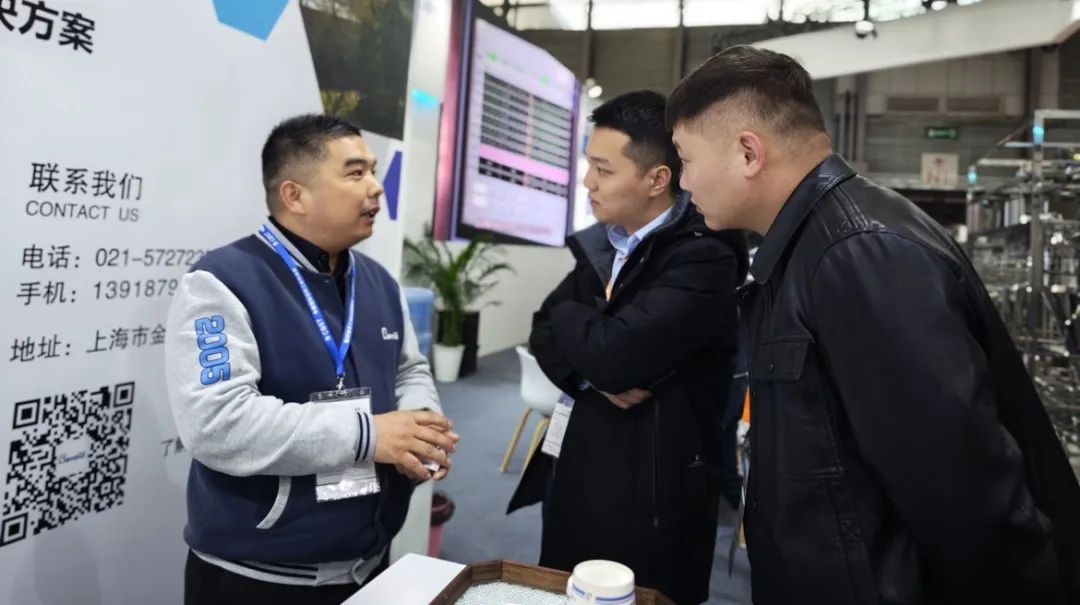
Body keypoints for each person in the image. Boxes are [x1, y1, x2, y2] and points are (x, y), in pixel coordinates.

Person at [667, 45, 1080, 604]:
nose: (685, 183)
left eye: (687, 159)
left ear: (747, 152)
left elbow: (963, 495)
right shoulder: (816, 247)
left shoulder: (856, 254)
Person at [164, 114, 459, 605]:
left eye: (373, 171)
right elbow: (216, 423)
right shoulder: (222, 282)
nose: (376, 188)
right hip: (259, 577)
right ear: (295, 195)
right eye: (355, 173)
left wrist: (420, 425)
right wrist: (370, 435)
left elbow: (408, 368)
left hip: (368, 564)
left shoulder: (379, 281)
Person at [508, 90, 748, 604]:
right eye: (588, 165)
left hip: (653, 494)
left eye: (603, 169)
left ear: (656, 179)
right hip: (580, 466)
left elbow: (613, 356)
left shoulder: (704, 257)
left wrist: (573, 321)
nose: (587, 182)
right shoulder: (607, 243)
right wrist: (587, 371)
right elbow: (543, 329)